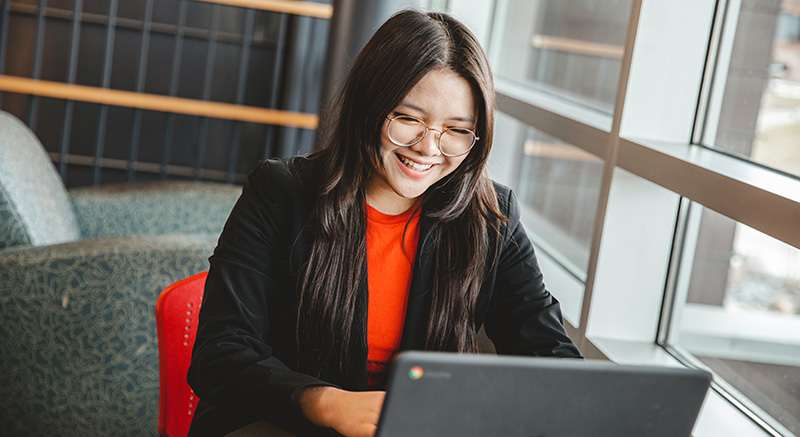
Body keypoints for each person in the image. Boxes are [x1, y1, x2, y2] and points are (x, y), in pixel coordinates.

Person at [187, 9, 581, 437]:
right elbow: (220, 353)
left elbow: (548, 355)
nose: (428, 147)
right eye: (408, 119)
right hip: (280, 425)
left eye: (456, 129)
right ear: (368, 107)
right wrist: (326, 403)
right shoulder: (282, 192)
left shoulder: (489, 217)